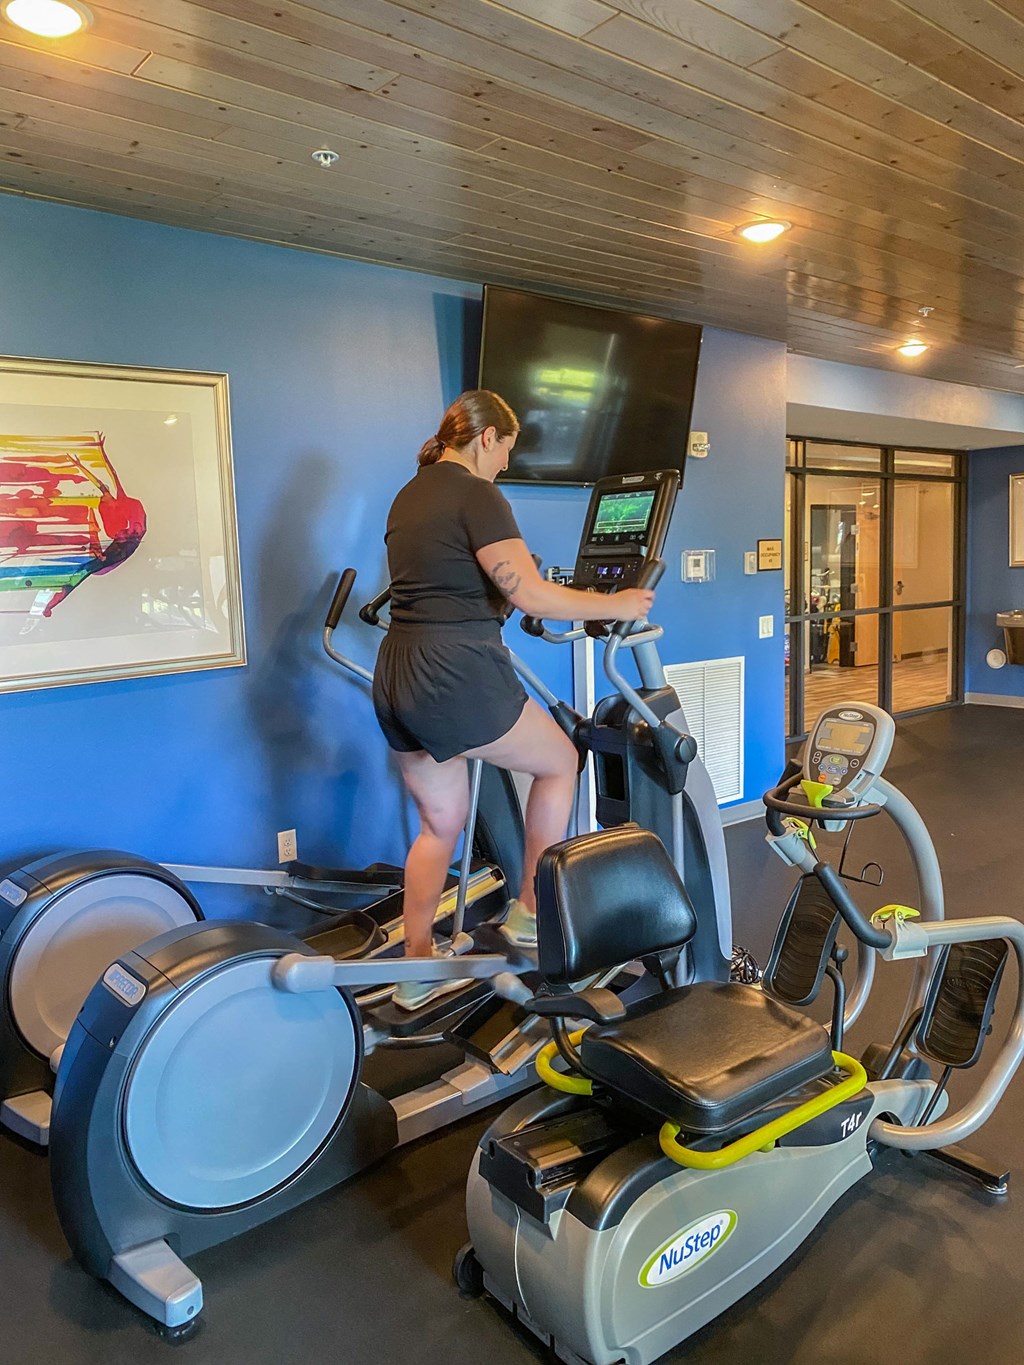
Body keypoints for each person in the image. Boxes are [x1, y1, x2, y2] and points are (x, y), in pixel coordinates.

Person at [373, 389, 656, 1010]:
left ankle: (416, 963)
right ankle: (529, 909)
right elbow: (527, 592)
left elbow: (455, 579)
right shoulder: (477, 493)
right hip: (456, 671)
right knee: (561, 761)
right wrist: (617, 604)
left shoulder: (410, 493)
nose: (504, 464)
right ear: (486, 438)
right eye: (506, 450)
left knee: (439, 824)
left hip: (397, 670)